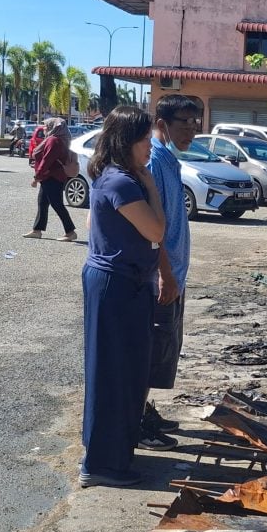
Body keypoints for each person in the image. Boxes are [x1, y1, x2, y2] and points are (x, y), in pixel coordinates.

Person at [79, 106, 166, 487]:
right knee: (114, 374)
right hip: (117, 285)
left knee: (125, 371)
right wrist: (150, 186)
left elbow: (91, 222)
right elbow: (157, 230)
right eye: (145, 139)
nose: (150, 145)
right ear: (126, 141)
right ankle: (101, 465)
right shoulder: (123, 183)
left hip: (121, 283)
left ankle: (111, 457)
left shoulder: (110, 177)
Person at [138, 95, 200, 451]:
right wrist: (166, 274)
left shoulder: (167, 160)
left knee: (162, 352)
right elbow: (154, 229)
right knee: (151, 353)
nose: (192, 129)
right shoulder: (156, 162)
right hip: (164, 276)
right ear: (162, 123)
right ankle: (137, 423)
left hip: (174, 271)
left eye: (195, 122)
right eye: (184, 123)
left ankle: (144, 410)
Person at [22, 117, 77, 242]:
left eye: (47, 126)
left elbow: (47, 161)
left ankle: (70, 232)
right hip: (49, 176)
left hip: (52, 177)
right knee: (42, 202)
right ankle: (37, 230)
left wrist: (36, 177)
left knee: (57, 204)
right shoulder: (56, 139)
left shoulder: (53, 140)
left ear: (54, 127)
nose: (44, 128)